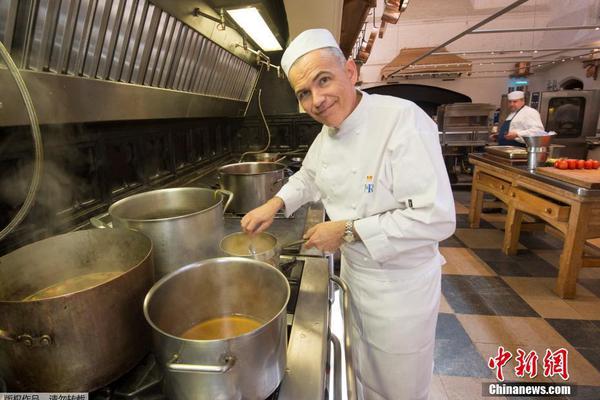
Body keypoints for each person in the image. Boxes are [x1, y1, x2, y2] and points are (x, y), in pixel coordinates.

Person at [240, 29, 455, 400]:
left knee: (399, 387)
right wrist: (274, 204)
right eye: (304, 93)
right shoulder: (329, 132)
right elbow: (309, 175)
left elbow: (436, 217)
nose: (317, 100)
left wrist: (347, 231)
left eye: (323, 80)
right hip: (358, 277)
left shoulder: (402, 120)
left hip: (400, 291)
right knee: (366, 377)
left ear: (351, 72)